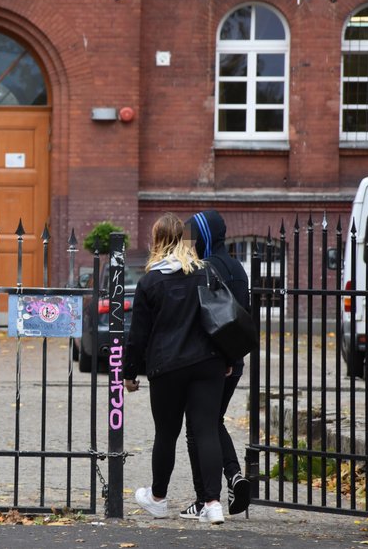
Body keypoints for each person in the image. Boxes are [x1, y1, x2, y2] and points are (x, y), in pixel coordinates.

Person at [123, 212, 228, 525]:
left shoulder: (150, 282)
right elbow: (223, 317)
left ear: (157, 241)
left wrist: (129, 372)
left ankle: (157, 499)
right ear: (185, 239)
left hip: (168, 366)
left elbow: (138, 334)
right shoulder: (206, 273)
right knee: (207, 428)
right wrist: (229, 359)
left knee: (166, 433)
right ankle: (212, 504)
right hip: (209, 362)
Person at [180, 209, 251, 519]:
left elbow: (204, 319)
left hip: (211, 361)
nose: (189, 241)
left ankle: (205, 499)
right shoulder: (238, 268)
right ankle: (234, 477)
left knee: (199, 427)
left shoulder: (204, 268)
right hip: (235, 359)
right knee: (212, 421)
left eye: (193, 235)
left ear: (206, 236)